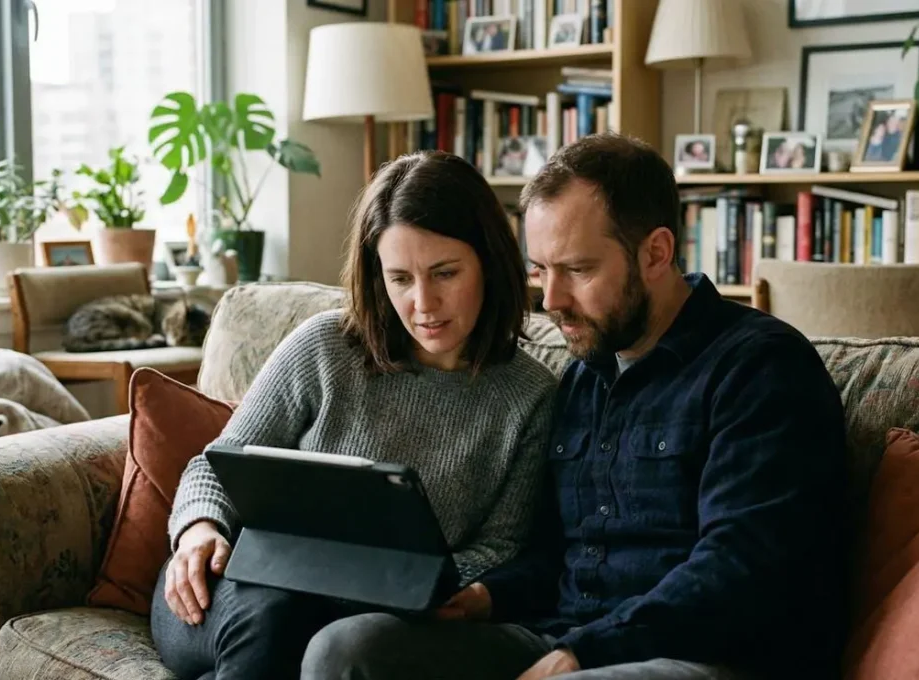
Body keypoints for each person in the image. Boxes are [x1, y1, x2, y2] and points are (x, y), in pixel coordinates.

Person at [301, 133, 848, 680]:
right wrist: (484, 598)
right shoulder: (586, 375)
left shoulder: (758, 369)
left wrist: (588, 653)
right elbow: (554, 550)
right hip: (563, 635)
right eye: (540, 269)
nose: (551, 300)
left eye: (578, 270)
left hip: (703, 654)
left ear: (656, 252)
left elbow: (741, 569)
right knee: (347, 648)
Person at [150, 150, 557, 680]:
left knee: (308, 646)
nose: (424, 303)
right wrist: (200, 531)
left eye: (445, 272)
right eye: (400, 279)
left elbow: (501, 547)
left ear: (489, 260)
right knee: (274, 619)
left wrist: (399, 584)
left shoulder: (531, 395)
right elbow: (216, 466)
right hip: (234, 589)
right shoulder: (324, 346)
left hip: (371, 618)